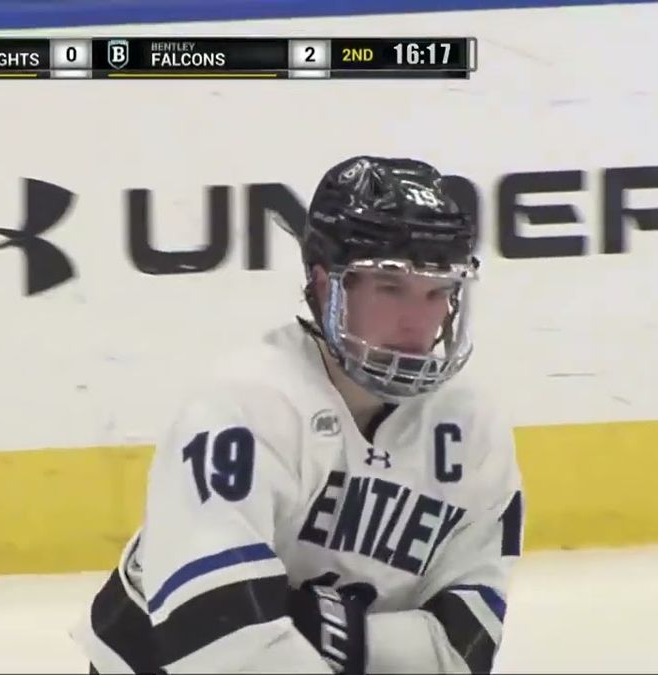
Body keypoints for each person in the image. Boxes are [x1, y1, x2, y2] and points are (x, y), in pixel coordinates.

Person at [70, 155, 525, 674]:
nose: (417, 322)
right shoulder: (243, 407)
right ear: (325, 284)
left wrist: (325, 632)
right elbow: (218, 643)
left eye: (438, 292)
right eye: (390, 288)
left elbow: (462, 650)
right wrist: (371, 642)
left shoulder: (472, 430)